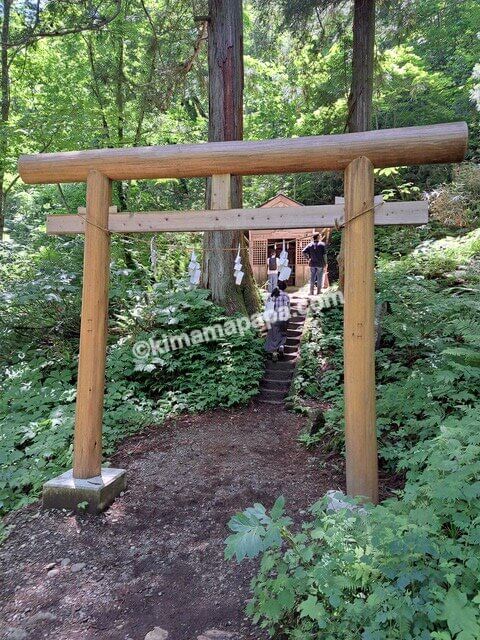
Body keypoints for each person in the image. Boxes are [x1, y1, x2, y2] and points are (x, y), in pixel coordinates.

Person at [264, 280, 290, 361]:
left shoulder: (273, 294)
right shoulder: (286, 296)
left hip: (274, 318)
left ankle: (273, 353)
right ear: (285, 288)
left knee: (273, 336)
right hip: (283, 318)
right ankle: (281, 347)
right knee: (283, 334)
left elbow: (267, 306)